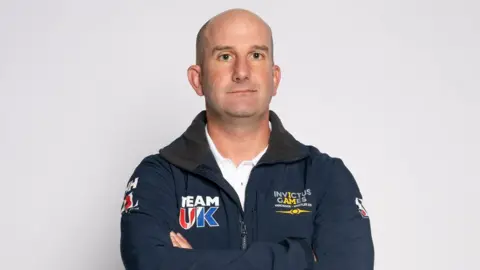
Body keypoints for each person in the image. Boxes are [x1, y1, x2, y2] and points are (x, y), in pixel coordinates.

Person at [120, 8, 374, 270]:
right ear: (198, 80)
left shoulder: (326, 177)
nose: (241, 71)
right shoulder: (158, 177)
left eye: (256, 55)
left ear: (274, 78)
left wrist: (191, 263)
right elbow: (149, 264)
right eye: (225, 56)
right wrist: (299, 258)